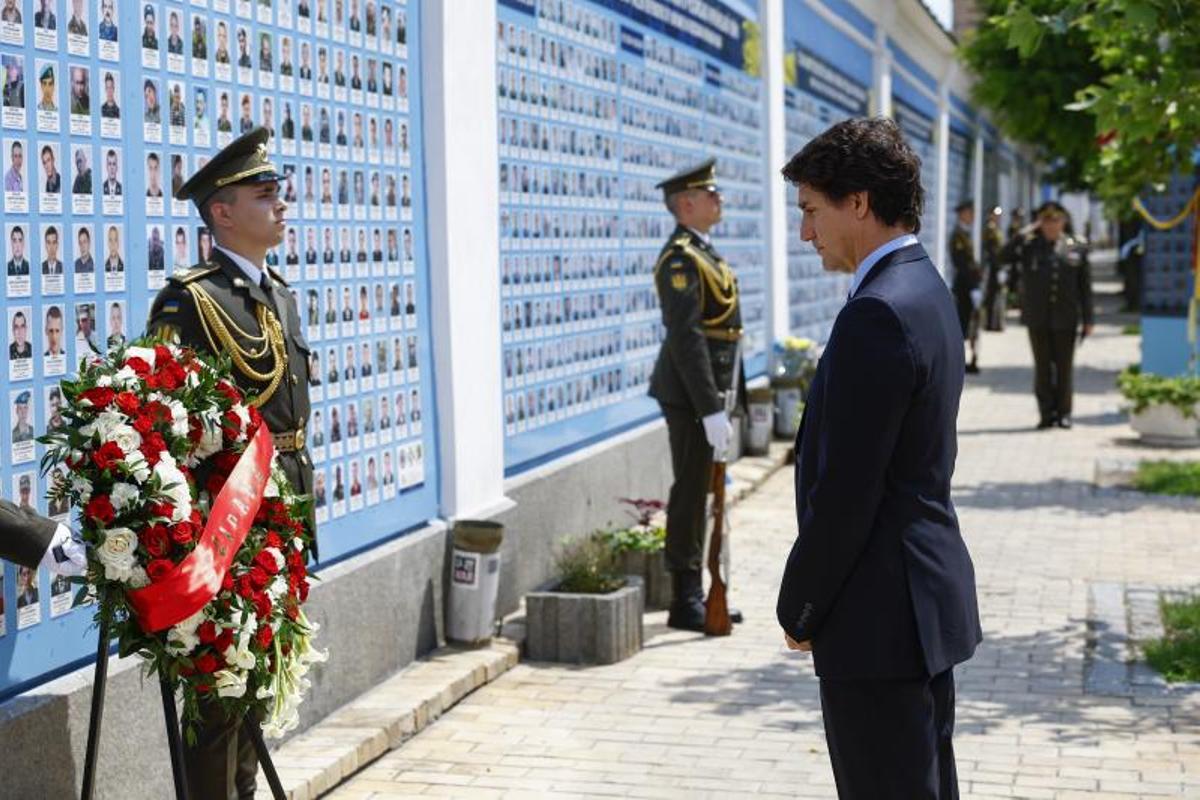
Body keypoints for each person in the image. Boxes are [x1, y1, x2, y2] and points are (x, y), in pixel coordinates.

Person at [776, 117, 981, 800]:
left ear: (857, 201)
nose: (807, 232)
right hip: (917, 605)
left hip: (877, 618)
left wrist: (800, 606)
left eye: (811, 210)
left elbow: (849, 490)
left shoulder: (877, 312)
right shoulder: (923, 285)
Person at [147, 127, 314, 800]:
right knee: (218, 696)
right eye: (264, 194)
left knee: (259, 683)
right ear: (222, 211)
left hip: (287, 516)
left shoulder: (278, 291)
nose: (281, 205)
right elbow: (164, 427)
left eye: (279, 192)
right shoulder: (189, 301)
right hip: (229, 533)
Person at [647, 158, 745, 632]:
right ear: (686, 204)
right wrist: (708, 408)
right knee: (689, 491)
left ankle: (707, 590)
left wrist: (728, 400)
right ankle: (685, 597)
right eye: (710, 193)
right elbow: (687, 338)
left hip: (712, 391)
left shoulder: (704, 252)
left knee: (708, 490)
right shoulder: (680, 259)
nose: (718, 198)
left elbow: (727, 333)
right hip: (689, 395)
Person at [1006, 200, 1094, 429]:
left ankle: (1064, 413)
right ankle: (1046, 413)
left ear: (1063, 222)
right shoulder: (1029, 246)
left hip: (1066, 317)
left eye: (1055, 220)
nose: (1051, 225)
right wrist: (1023, 231)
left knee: (1064, 369)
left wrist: (1089, 319)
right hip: (1038, 317)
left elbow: (1085, 287)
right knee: (1042, 368)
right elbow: (1001, 256)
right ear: (1040, 223)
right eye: (1046, 221)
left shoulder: (1077, 247)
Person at [949, 201, 982, 374]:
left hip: (969, 285)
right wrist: (972, 287)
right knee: (962, 325)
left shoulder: (965, 234)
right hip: (964, 287)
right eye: (970, 213)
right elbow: (962, 264)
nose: (972, 216)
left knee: (970, 324)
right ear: (962, 214)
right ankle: (959, 362)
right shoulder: (958, 236)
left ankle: (969, 360)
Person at [982, 206, 1006, 331]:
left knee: (997, 294)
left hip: (997, 265)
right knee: (992, 294)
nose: (997, 217)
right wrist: (998, 267)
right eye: (995, 215)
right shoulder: (990, 229)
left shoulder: (996, 229)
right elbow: (992, 251)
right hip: (993, 266)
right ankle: (990, 323)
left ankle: (995, 323)